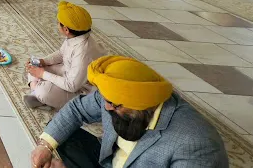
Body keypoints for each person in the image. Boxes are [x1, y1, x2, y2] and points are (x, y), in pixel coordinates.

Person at [30, 56, 228, 168]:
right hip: (111, 163)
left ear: (141, 105)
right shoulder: (113, 98)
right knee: (59, 133)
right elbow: (76, 110)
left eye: (114, 106)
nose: (107, 109)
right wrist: (45, 147)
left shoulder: (197, 145)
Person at [23, 1, 104, 110]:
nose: (57, 25)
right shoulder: (76, 37)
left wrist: (43, 74)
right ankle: (35, 93)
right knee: (34, 66)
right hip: (67, 72)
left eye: (58, 23)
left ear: (66, 29)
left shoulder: (84, 52)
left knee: (45, 91)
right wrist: (43, 61)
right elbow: (61, 53)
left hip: (81, 89)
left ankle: (38, 94)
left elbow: (72, 85)